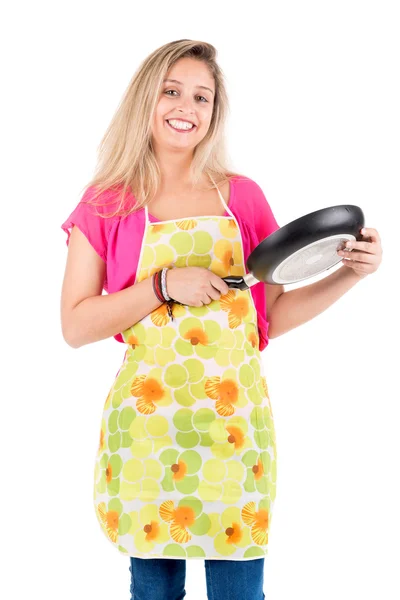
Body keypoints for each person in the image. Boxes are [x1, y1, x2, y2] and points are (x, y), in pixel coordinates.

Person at [60, 40, 383, 600]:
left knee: (240, 592)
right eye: (172, 90)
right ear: (147, 99)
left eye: (202, 97)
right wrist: (162, 285)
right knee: (154, 592)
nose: (186, 106)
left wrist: (349, 274)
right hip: (149, 430)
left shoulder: (244, 199)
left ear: (214, 112)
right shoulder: (107, 203)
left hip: (234, 430)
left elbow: (271, 317)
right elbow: (75, 324)